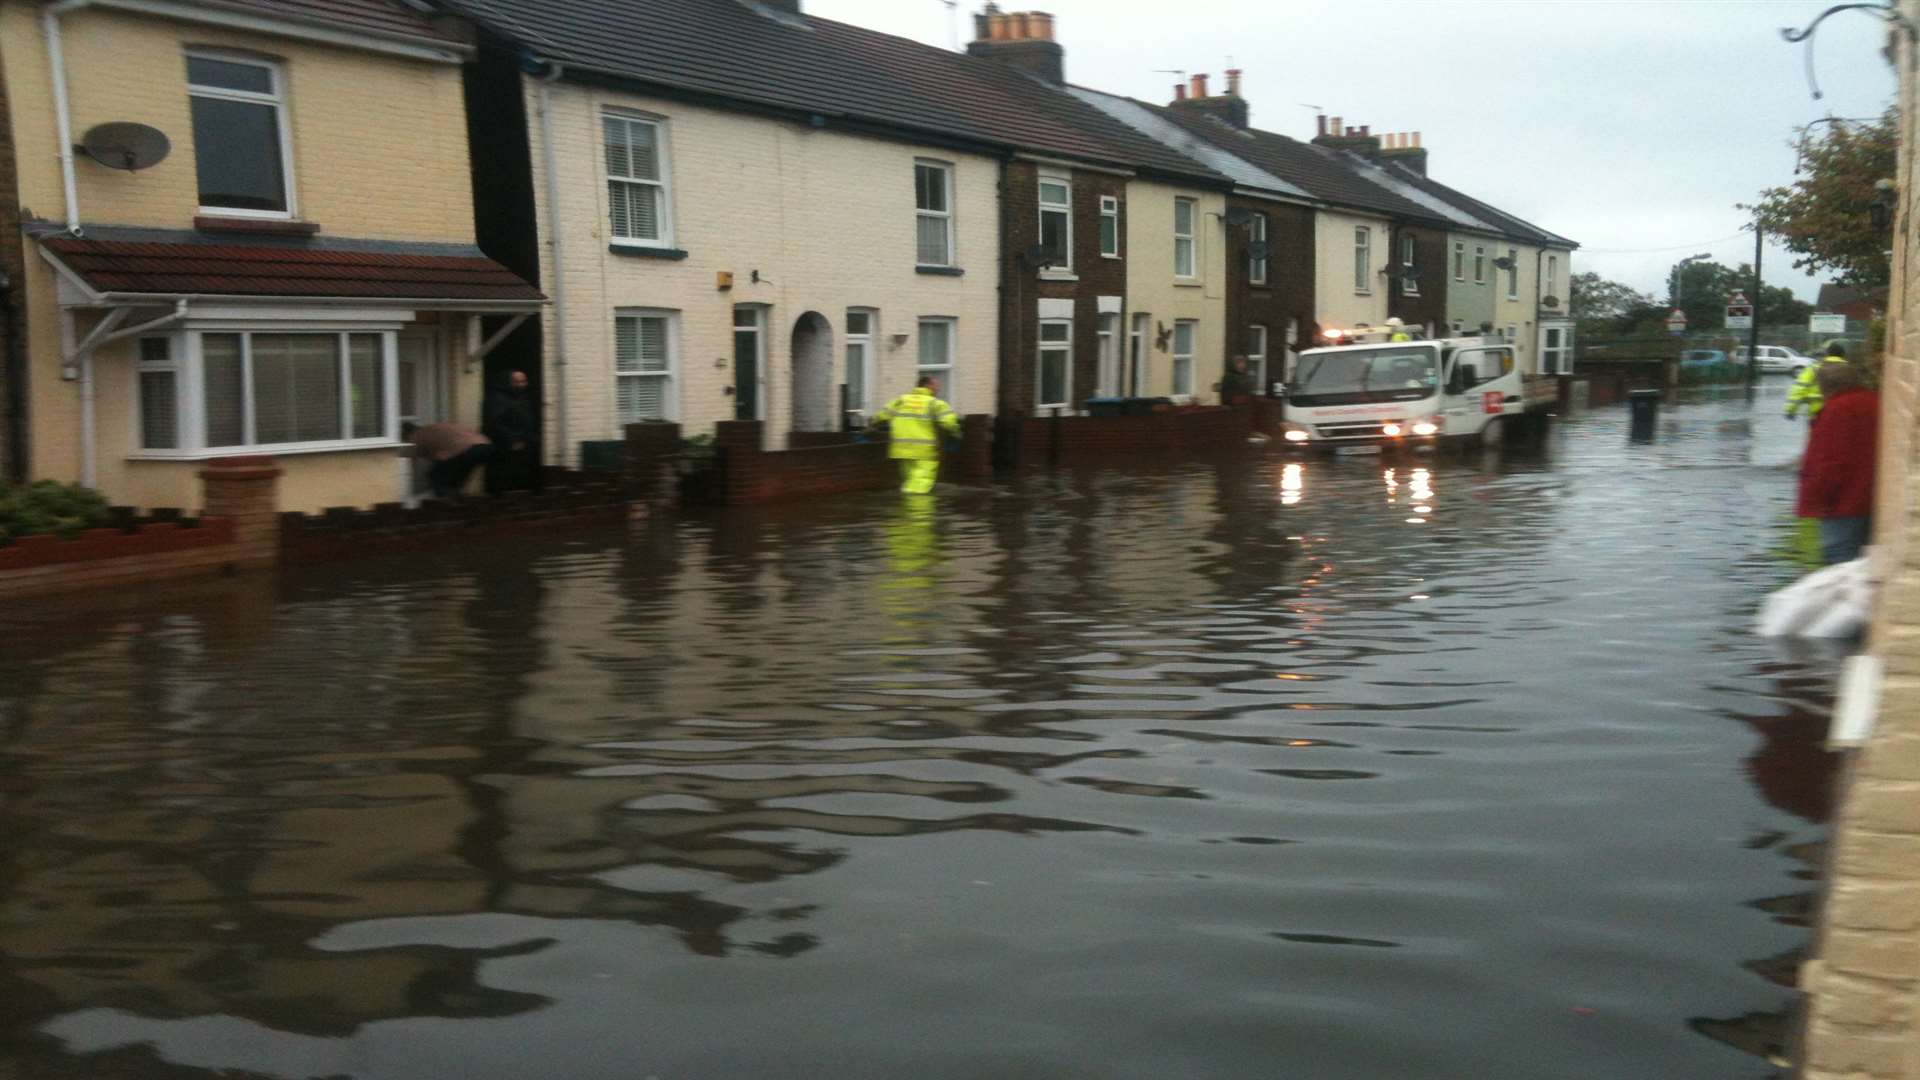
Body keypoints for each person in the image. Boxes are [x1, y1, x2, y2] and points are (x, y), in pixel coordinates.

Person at [1796, 362, 1877, 564]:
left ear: (1825, 385)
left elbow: (1829, 460)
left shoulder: (1838, 410)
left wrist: (1818, 499)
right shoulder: (1873, 402)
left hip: (1842, 503)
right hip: (1868, 498)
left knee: (1839, 561)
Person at [871, 375, 961, 495]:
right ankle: (917, 511)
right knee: (920, 486)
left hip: (902, 450)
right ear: (927, 385)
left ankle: (907, 509)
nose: (938, 389)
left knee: (909, 481)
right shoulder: (934, 403)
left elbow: (882, 415)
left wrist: (872, 424)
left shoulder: (902, 400)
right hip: (924, 452)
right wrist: (957, 433)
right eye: (936, 385)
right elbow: (949, 422)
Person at [403, 420, 494, 499]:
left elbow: (409, 463)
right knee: (455, 480)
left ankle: (443, 504)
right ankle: (458, 503)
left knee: (435, 477)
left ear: (408, 434)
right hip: (485, 446)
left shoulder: (416, 435)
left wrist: (408, 492)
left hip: (463, 450)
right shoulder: (430, 429)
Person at [483, 369, 538, 492]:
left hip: (524, 444)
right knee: (505, 477)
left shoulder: (523, 398)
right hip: (504, 446)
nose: (521, 385)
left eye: (523, 381)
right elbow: (494, 422)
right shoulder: (498, 399)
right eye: (517, 382)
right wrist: (513, 439)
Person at [1785, 341, 1849, 421]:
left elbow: (1799, 389)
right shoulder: (1850, 370)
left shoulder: (1813, 369)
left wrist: (1790, 410)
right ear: (1843, 355)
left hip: (1817, 413)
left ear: (1827, 354)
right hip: (1842, 414)